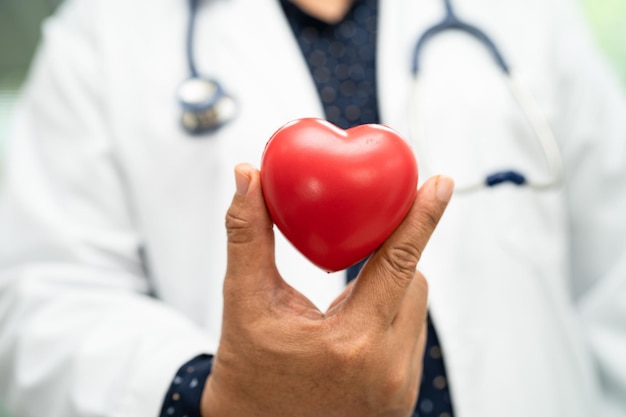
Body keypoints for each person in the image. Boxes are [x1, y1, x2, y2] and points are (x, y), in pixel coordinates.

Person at [0, 0, 625, 415]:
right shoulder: (102, 34)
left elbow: (615, 272)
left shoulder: (531, 14)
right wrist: (209, 394)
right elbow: (44, 294)